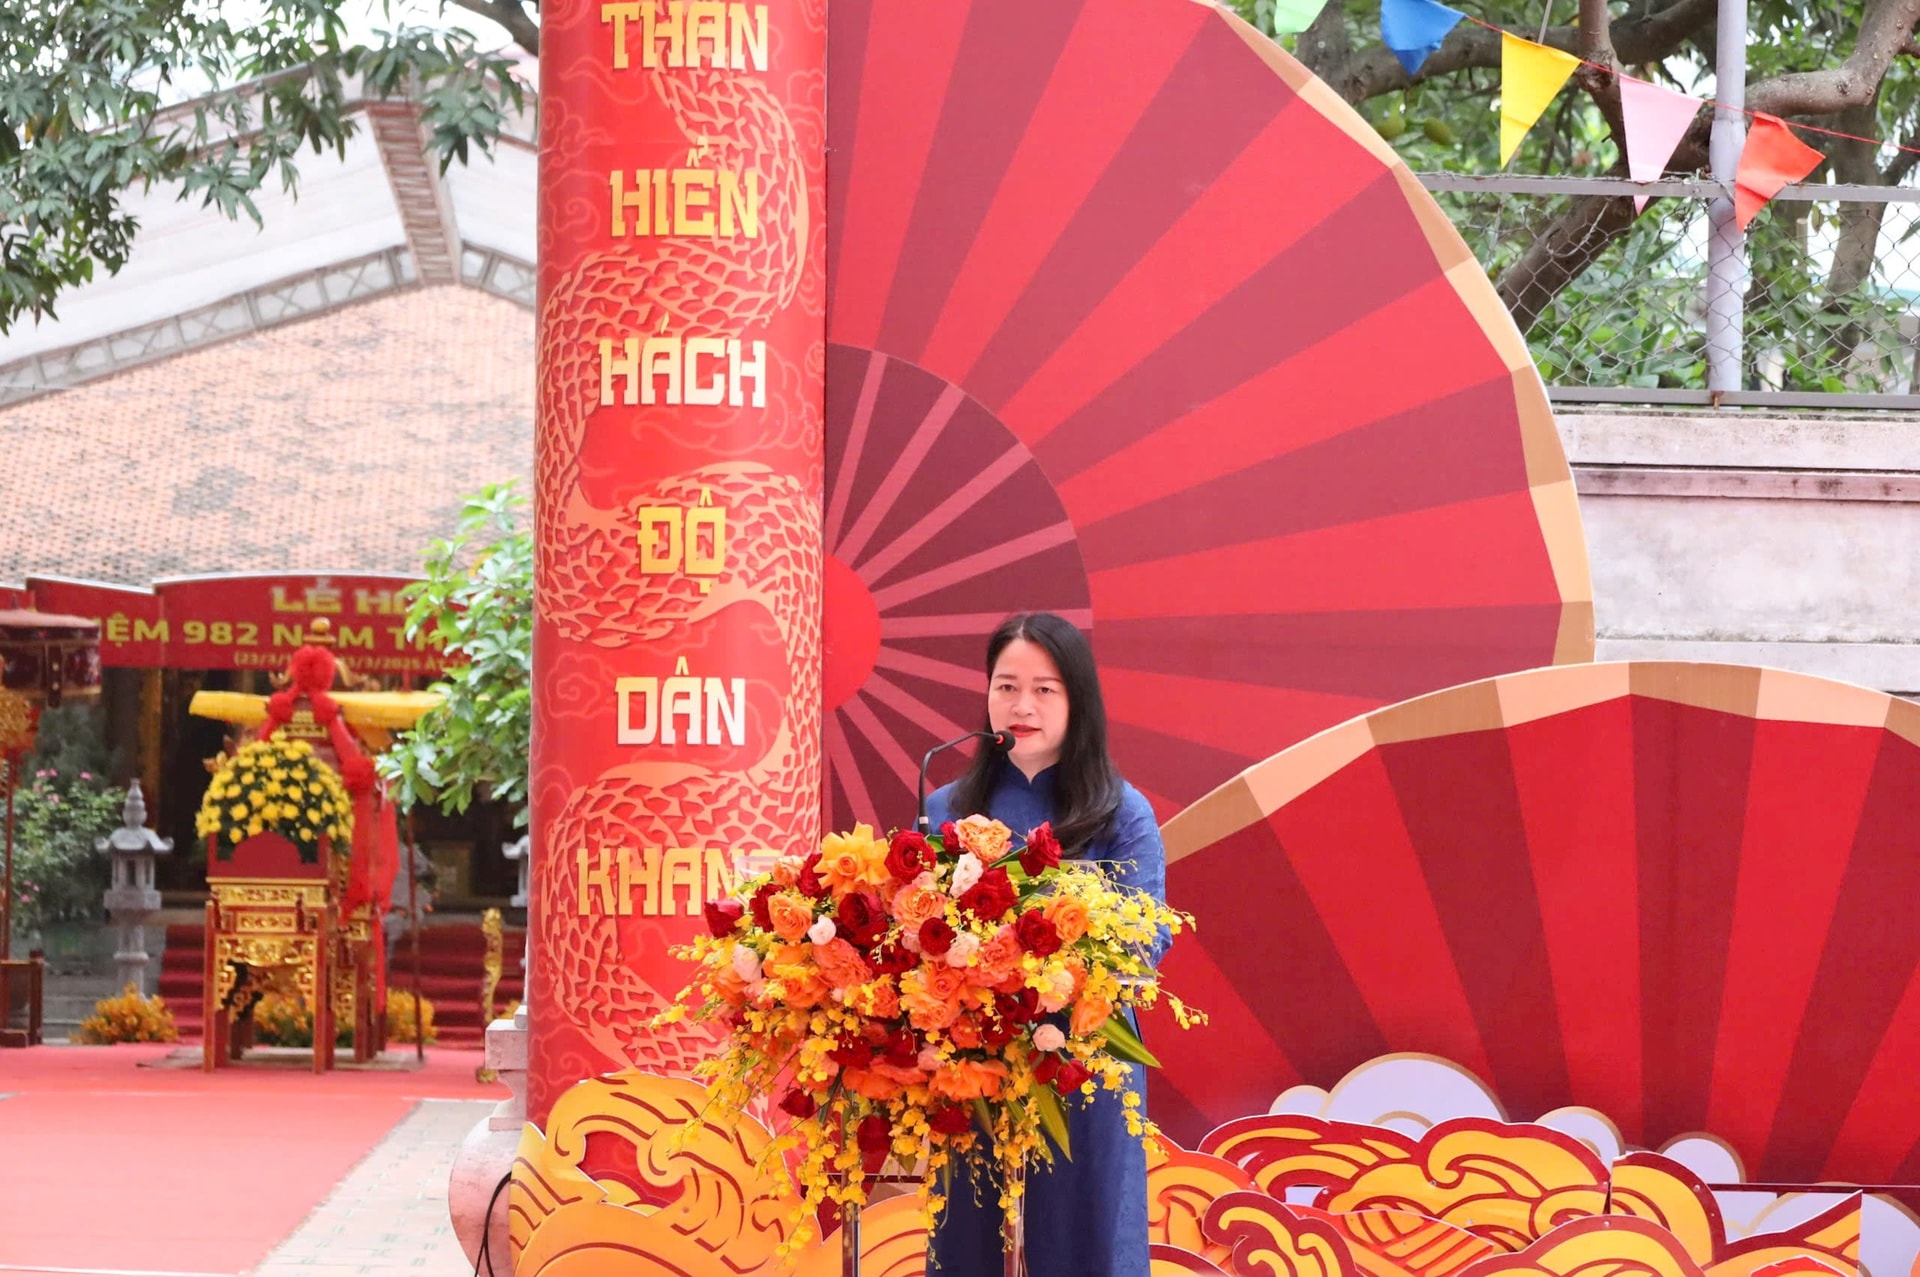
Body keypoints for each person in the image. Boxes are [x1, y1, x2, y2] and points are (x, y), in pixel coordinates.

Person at [924, 611, 1167, 1277]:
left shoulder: (1121, 812)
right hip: (972, 1061)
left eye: (1044, 689)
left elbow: (1148, 937)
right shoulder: (945, 809)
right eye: (1006, 687)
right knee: (968, 1237)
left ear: (1077, 699)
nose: (1021, 706)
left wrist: (1050, 972)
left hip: (1083, 1060)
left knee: (1088, 1242)